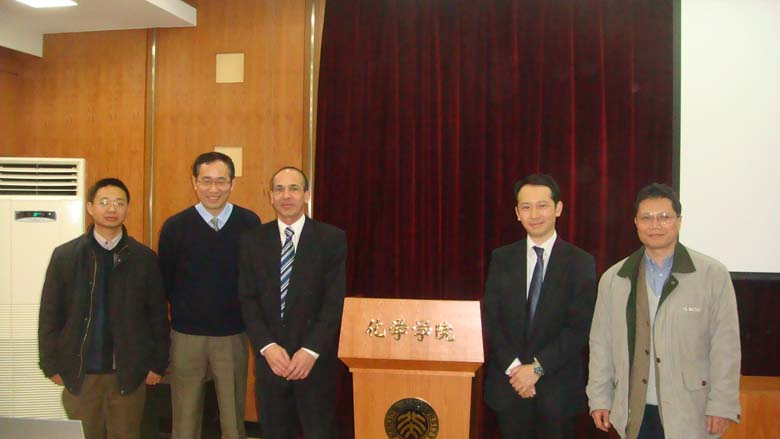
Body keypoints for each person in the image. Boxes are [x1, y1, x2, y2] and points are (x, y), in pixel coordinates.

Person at [587, 183, 741, 439]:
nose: (655, 225)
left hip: (691, 410)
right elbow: (601, 343)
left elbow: (726, 346)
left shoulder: (712, 275)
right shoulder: (615, 279)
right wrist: (599, 397)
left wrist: (722, 404)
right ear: (636, 223)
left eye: (664, 217)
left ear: (679, 221)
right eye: (646, 218)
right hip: (634, 409)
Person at [38, 178, 169, 439]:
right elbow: (50, 315)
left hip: (129, 374)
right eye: (104, 202)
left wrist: (158, 363)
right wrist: (50, 364)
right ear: (90, 207)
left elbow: (157, 316)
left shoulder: (144, 258)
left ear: (127, 208)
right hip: (81, 374)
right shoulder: (66, 256)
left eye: (119, 203)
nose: (112, 209)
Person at [483, 173, 597, 439]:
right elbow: (492, 319)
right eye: (526, 207)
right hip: (509, 388)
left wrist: (535, 369)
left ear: (558, 208)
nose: (534, 214)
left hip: (557, 392)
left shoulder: (580, 262)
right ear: (517, 213)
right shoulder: (502, 258)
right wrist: (516, 370)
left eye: (542, 205)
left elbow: (578, 328)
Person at [158, 152, 261, 439]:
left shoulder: (249, 222)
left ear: (232, 183)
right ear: (194, 182)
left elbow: (256, 279)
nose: (213, 189)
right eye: (206, 181)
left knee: (232, 420)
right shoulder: (175, 226)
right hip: (186, 336)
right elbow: (165, 281)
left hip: (233, 335)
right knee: (185, 418)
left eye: (221, 181)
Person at [238, 166, 346, 439]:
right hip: (271, 362)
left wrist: (310, 350)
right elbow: (247, 299)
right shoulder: (252, 241)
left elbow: (334, 302)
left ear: (306, 195)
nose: (286, 195)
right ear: (271, 197)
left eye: (294, 189)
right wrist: (267, 346)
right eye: (279, 189)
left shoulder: (331, 239)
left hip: (314, 363)